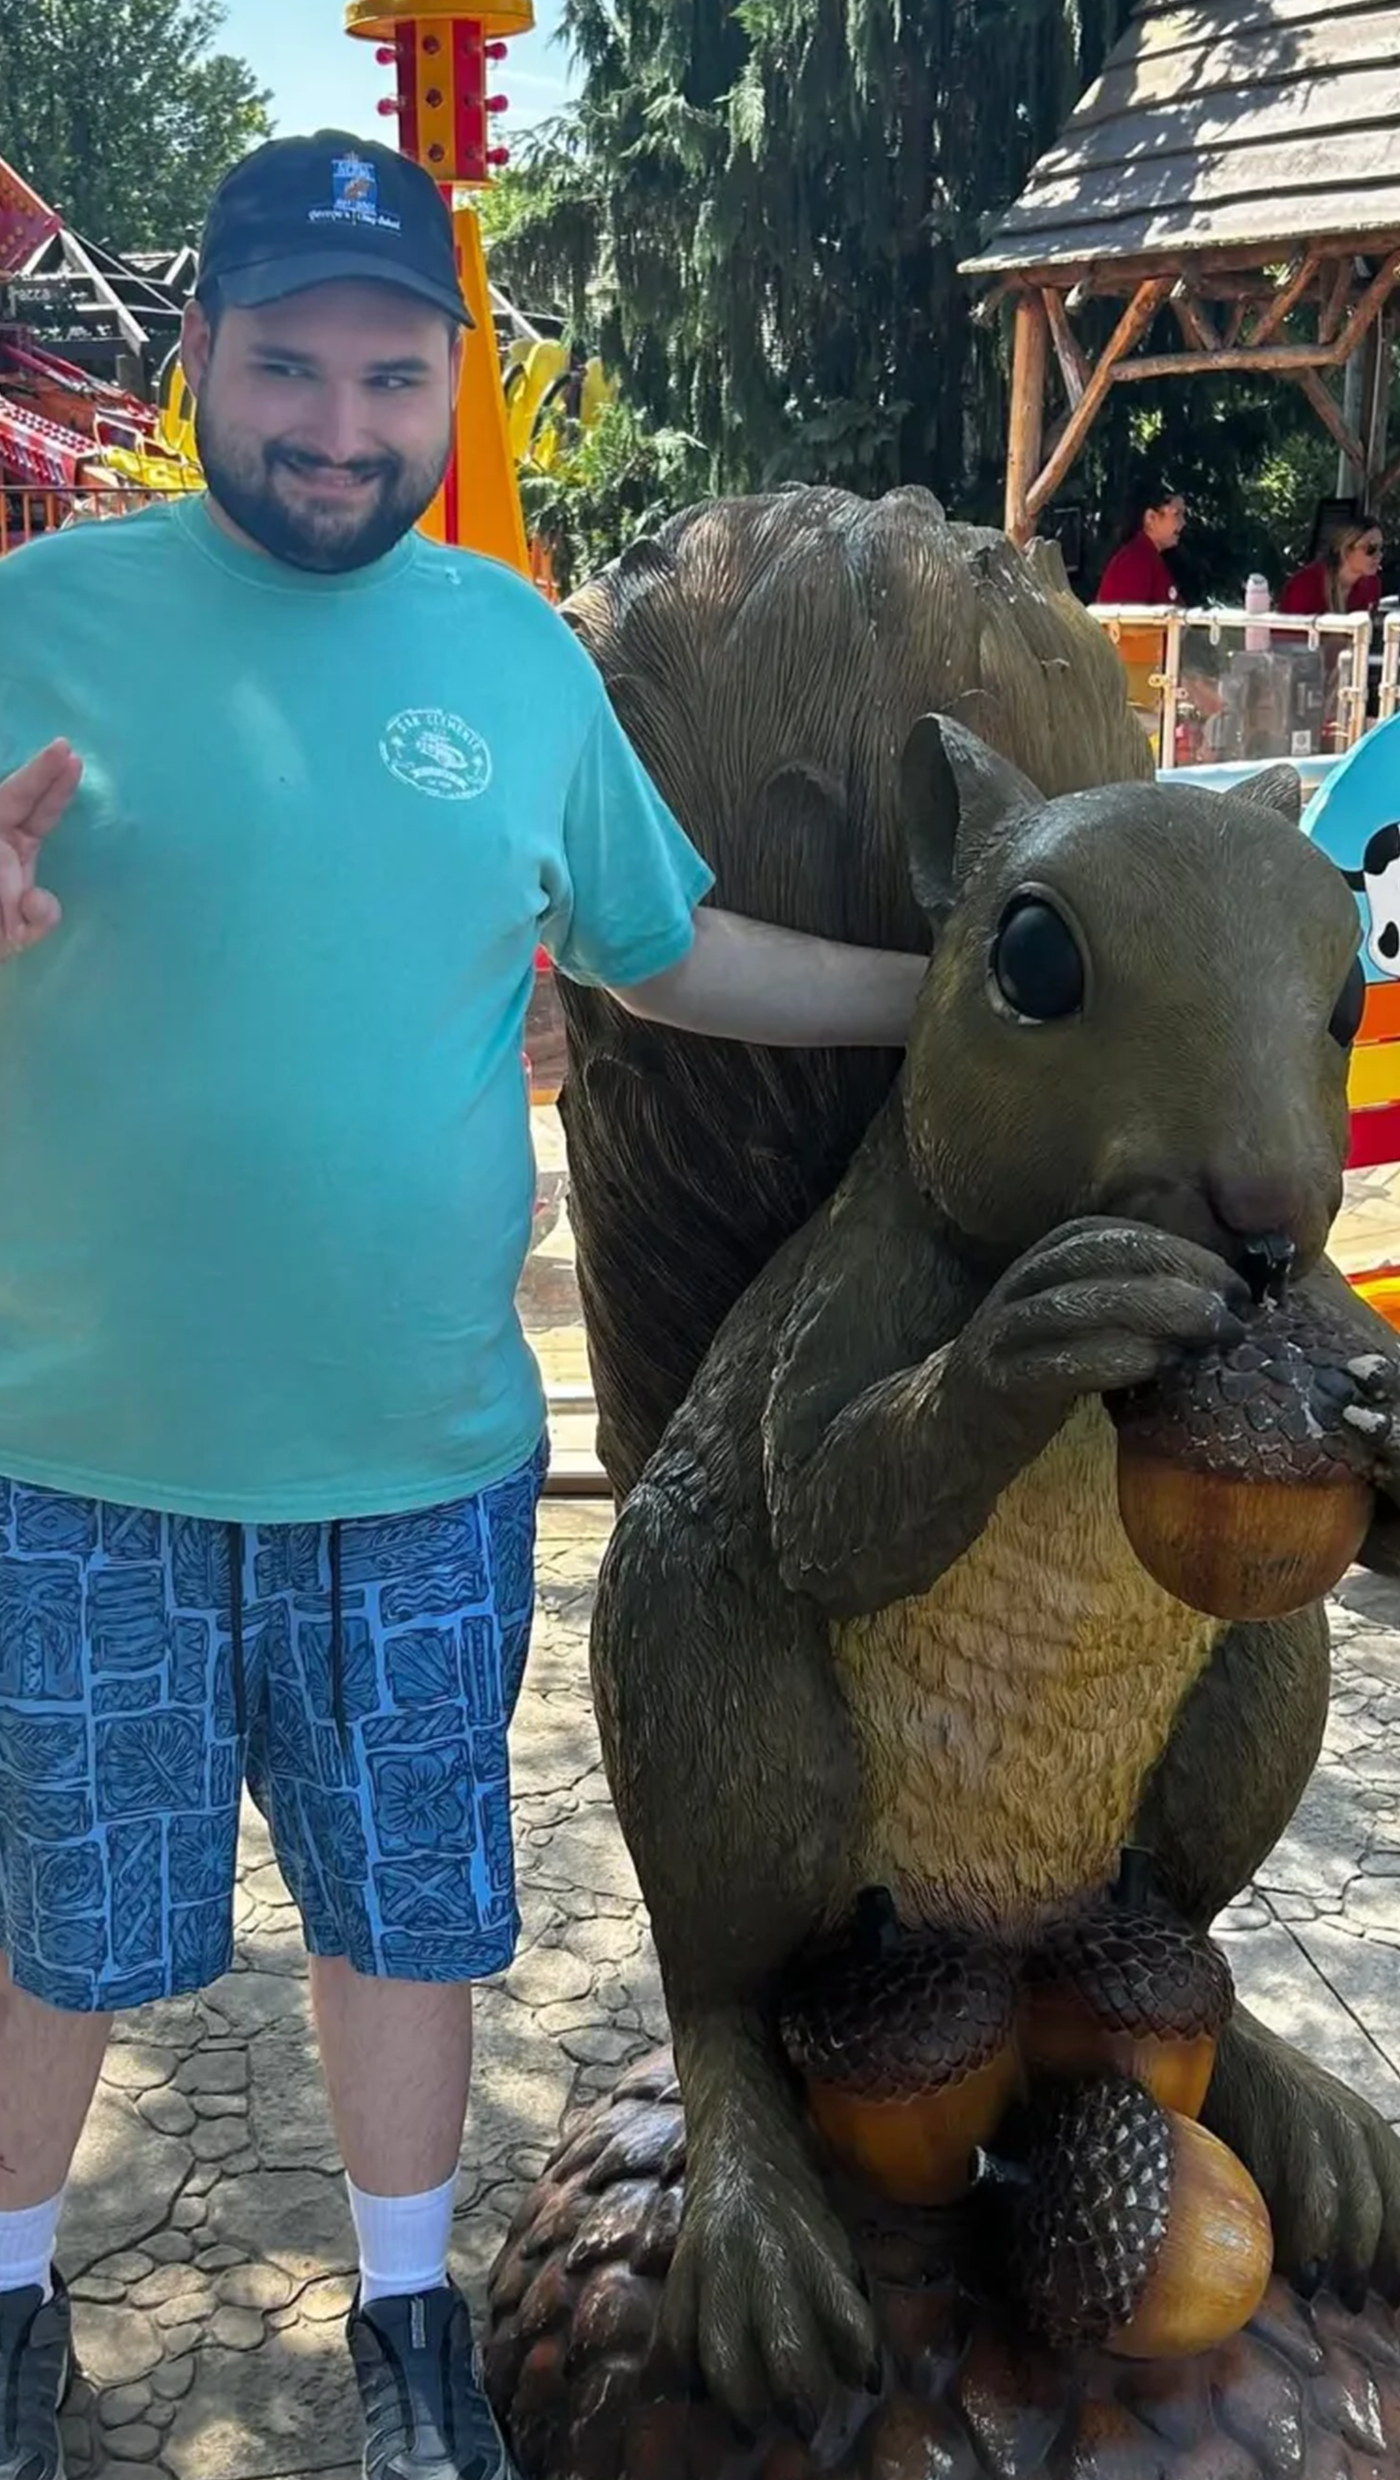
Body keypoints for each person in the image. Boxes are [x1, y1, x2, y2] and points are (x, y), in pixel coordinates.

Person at [0, 133, 926, 2480]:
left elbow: (661, 949)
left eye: (389, 374)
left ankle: (408, 2316)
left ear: (448, 385)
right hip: (75, 1446)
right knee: (56, 1916)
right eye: (287, 364)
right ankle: (9, 2294)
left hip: (415, 1452)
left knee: (407, 1913)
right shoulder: (39, 617)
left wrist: (940, 1000)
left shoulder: (513, 653)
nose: (338, 421)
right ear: (199, 358)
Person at [1094, 478, 1186, 606]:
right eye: (1177, 514)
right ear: (1150, 518)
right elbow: (1129, 616)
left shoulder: (1147, 557)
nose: (1183, 523)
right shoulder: (1135, 560)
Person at [1280, 511, 1384, 617]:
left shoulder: (1371, 585)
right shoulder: (1304, 586)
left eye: (1380, 548)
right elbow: (1290, 626)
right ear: (1345, 550)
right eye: (1371, 549)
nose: (1379, 555)